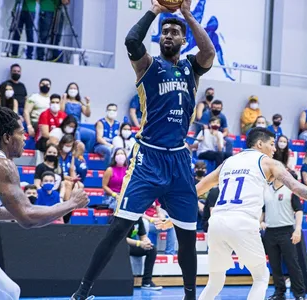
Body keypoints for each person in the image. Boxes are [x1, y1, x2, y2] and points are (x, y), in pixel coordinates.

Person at [70, 1, 216, 299]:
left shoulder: (191, 68)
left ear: (183, 40)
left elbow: (209, 53)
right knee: (117, 230)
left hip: (178, 160)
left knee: (187, 237)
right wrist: (157, 10)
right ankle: (82, 292)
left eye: (175, 32)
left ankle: (190, 296)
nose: (168, 35)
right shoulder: (148, 65)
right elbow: (131, 41)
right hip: (148, 158)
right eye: (165, 32)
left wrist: (186, 14)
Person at [0, 101, 89, 299]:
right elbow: (27, 218)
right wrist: (72, 203)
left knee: (10, 293)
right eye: (21, 133)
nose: (24, 137)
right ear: (7, 137)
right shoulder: (2, 165)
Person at [195, 128, 307, 300]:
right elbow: (297, 187)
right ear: (260, 144)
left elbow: (197, 189)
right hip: (242, 221)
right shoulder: (270, 163)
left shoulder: (227, 162)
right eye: (272, 144)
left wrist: (175, 218)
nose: (275, 149)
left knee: (215, 281)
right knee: (261, 278)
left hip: (216, 223)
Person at [261, 170, 306, 300]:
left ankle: (299, 294)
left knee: (292, 263)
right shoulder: (266, 190)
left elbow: (298, 210)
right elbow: (263, 210)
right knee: (274, 265)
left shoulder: (291, 190)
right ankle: (279, 293)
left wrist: (297, 229)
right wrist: (260, 221)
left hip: (286, 231)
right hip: (270, 232)